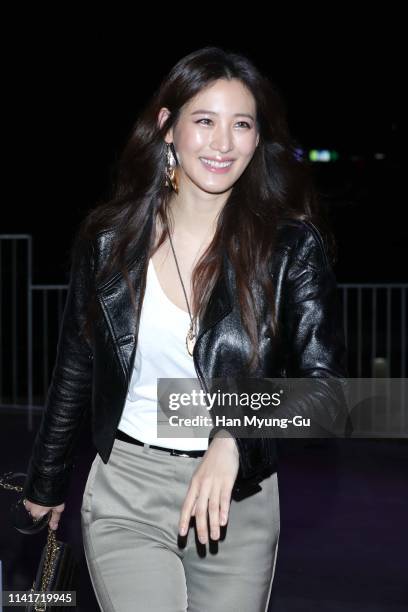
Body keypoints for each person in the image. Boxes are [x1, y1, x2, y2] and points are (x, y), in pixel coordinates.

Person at [21, 46, 348, 611]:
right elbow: (76, 364)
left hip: (238, 499)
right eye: (204, 121)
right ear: (167, 127)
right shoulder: (108, 241)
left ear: (257, 139)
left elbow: (328, 395)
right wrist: (47, 480)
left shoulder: (290, 247)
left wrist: (233, 436)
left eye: (241, 124)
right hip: (128, 488)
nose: (223, 142)